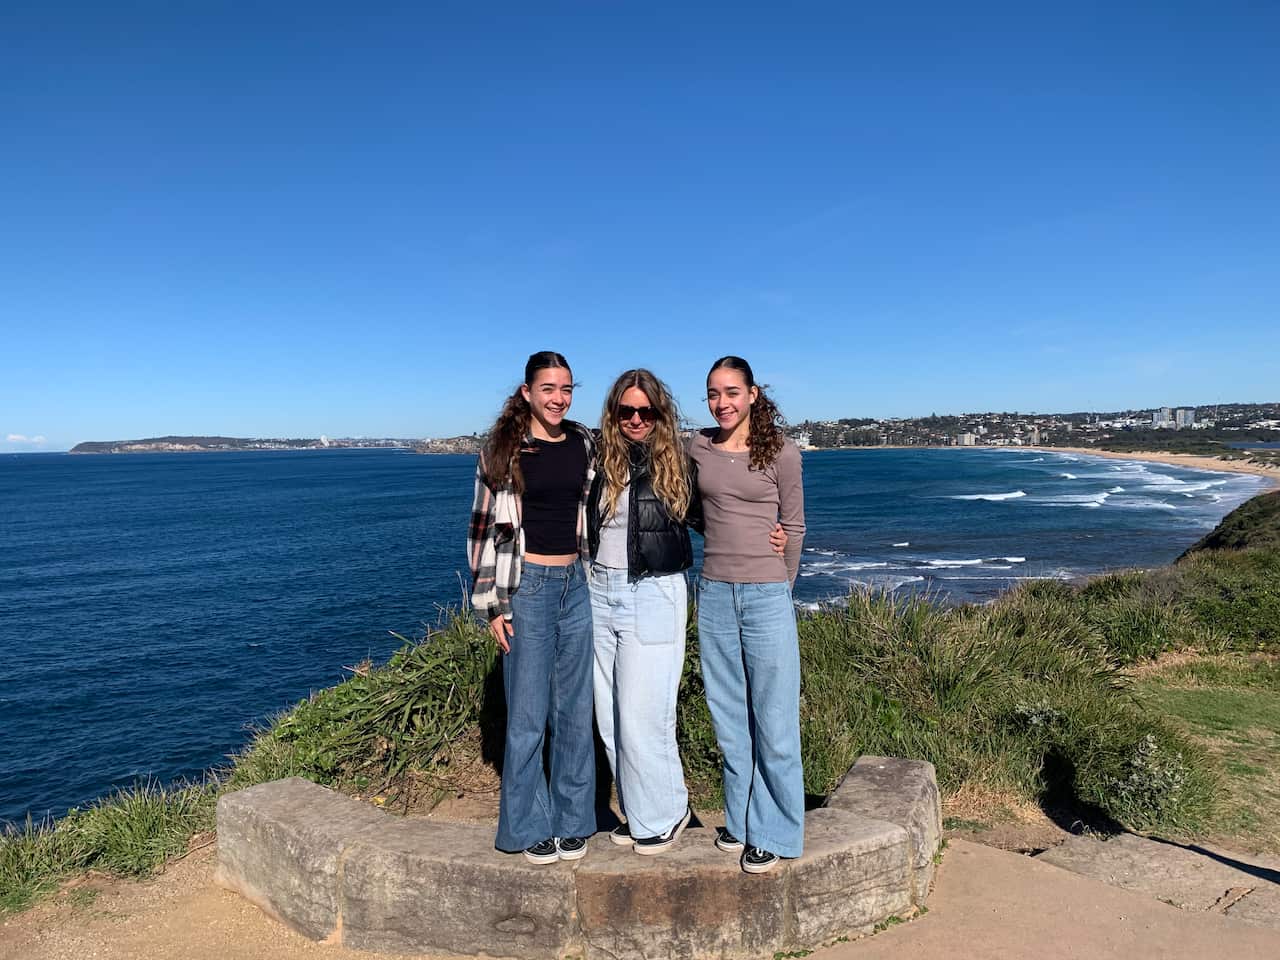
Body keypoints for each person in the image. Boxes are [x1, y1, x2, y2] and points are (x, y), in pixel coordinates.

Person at [466, 351, 597, 864]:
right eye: (548, 388)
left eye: (566, 388)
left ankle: (572, 820)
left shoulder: (584, 441)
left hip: (578, 584)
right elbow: (480, 529)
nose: (558, 398)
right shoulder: (503, 450)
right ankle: (525, 824)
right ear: (527, 392)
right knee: (526, 715)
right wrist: (491, 606)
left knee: (574, 711)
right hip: (528, 587)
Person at [687, 355, 806, 874]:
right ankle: (740, 820)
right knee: (729, 716)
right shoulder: (698, 447)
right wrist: (718, 536)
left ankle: (776, 831)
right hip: (713, 591)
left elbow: (795, 526)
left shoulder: (782, 453)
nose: (722, 402)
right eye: (714, 393)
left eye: (732, 392)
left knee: (775, 718)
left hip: (765, 594)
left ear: (753, 394)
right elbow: (691, 507)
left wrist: (783, 581)